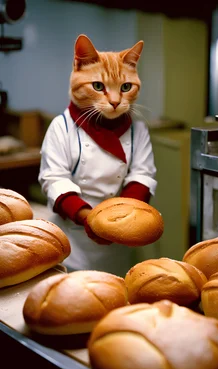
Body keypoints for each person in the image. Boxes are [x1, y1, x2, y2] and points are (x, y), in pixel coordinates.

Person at [38, 34, 157, 276]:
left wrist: (123, 220)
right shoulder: (62, 127)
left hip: (120, 241)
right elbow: (53, 180)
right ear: (78, 67)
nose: (114, 101)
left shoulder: (138, 129)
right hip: (72, 240)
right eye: (99, 87)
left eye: (125, 87)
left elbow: (142, 175)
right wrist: (89, 219)